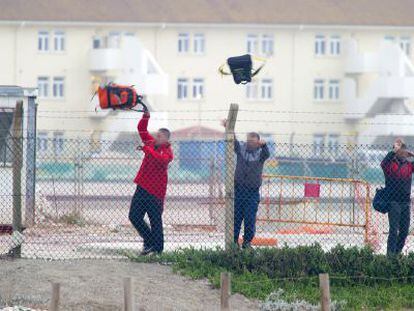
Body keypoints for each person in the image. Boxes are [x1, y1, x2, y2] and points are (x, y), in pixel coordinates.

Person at [129, 108, 173, 255]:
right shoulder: (151, 143)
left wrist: (147, 149)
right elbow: (141, 129)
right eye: (157, 135)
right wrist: (146, 116)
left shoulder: (167, 152)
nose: (156, 137)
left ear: (166, 139)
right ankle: (148, 241)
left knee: (155, 221)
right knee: (134, 216)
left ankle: (158, 249)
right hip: (142, 187)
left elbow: (161, 160)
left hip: (156, 192)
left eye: (159, 136)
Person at [222, 119, 270, 248]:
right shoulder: (241, 149)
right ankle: (233, 243)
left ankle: (247, 242)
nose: (250, 143)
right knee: (236, 219)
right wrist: (229, 128)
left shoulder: (261, 154)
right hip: (238, 191)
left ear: (258, 142)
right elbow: (234, 143)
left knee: (249, 220)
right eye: (249, 140)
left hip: (252, 193)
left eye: (253, 141)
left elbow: (267, 154)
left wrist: (264, 145)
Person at [381, 138, 414, 255]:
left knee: (404, 231)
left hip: (406, 203)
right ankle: (390, 256)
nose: (404, 153)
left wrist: (412, 154)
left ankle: (397, 253)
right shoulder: (390, 166)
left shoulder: (409, 165)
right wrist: (394, 150)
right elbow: (383, 163)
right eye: (401, 150)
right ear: (396, 152)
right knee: (393, 231)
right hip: (393, 202)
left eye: (404, 150)